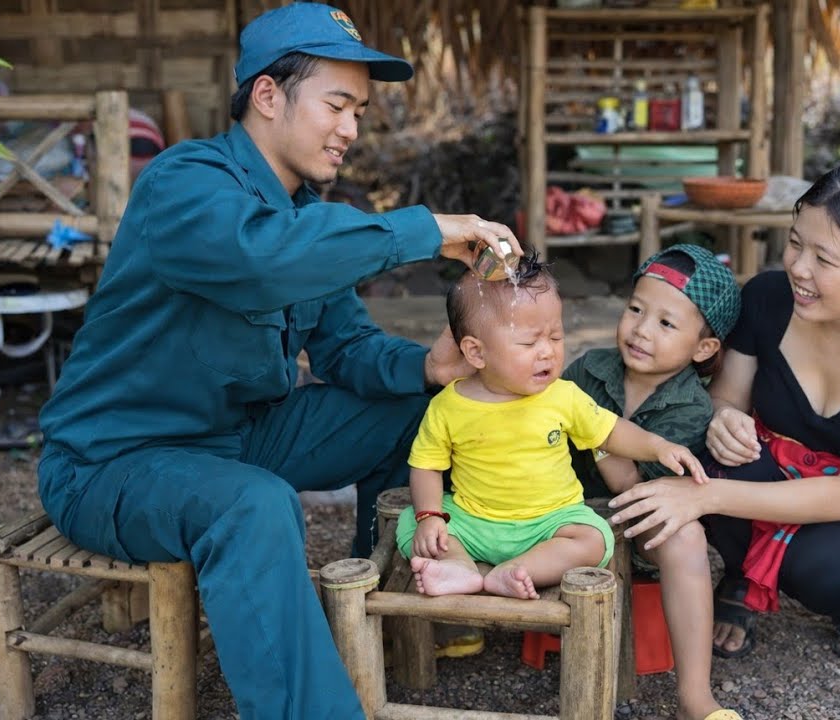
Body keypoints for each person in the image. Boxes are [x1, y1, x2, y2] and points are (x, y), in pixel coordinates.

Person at [36, 4, 522, 718]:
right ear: (268, 94)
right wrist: (420, 229)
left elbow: (347, 347)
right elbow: (260, 260)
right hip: (114, 462)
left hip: (238, 438)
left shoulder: (304, 217)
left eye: (359, 112)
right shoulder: (185, 182)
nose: (351, 129)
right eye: (336, 105)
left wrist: (432, 369)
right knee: (254, 504)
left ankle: (379, 612)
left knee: (422, 415)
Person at [607, 161, 840, 666]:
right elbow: (727, 397)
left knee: (828, 570)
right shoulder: (768, 298)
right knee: (706, 458)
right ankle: (742, 574)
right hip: (772, 464)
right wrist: (723, 417)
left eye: (824, 259)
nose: (798, 268)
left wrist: (702, 497)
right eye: (796, 244)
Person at [396, 255, 707, 601]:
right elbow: (426, 466)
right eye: (530, 343)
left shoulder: (563, 396)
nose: (547, 352)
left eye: (556, 337)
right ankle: (460, 565)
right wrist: (430, 515)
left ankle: (516, 571)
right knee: (410, 523)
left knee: (595, 537)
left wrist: (657, 446)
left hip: (549, 523)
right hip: (474, 520)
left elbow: (610, 431)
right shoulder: (448, 406)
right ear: (476, 352)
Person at [564, 243, 743, 720]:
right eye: (636, 310)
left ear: (703, 348)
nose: (642, 330)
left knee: (687, 536)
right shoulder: (588, 369)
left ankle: (695, 697)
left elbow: (631, 488)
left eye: (666, 323)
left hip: (631, 519)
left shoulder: (691, 406)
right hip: (558, 510)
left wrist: (593, 429)